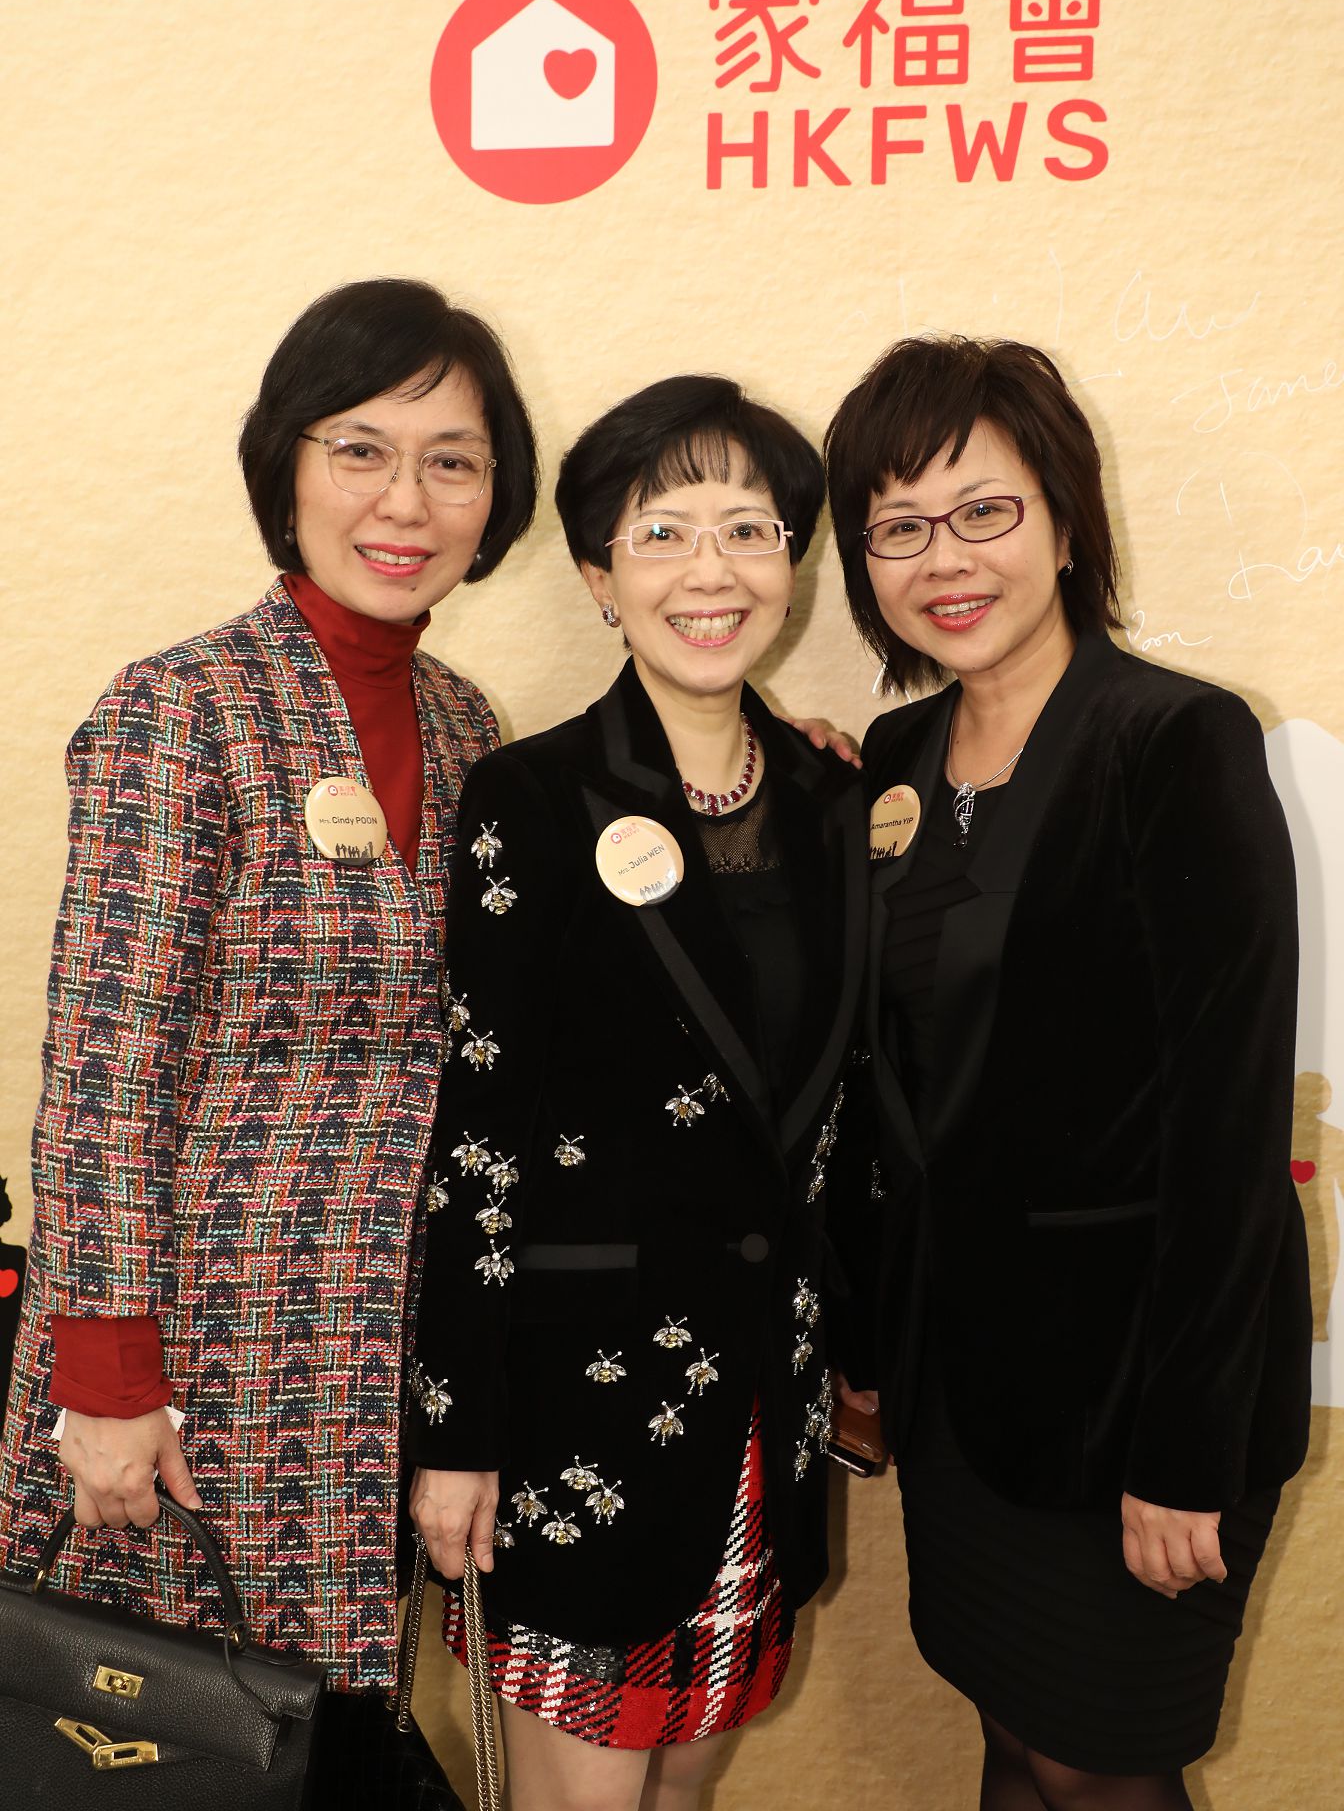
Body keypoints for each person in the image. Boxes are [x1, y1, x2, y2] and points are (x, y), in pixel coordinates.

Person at [0, 280, 538, 1745]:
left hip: (389, 1343)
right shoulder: (180, 707)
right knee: (169, 1744)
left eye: (451, 459)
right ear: (284, 467)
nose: (405, 500)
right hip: (200, 1354)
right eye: (359, 449)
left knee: (332, 1738)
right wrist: (107, 1379)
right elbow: (105, 1066)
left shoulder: (466, 726)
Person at [824, 336, 1311, 1811]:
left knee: (1099, 1766)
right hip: (961, 1390)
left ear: (1065, 521)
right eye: (898, 526)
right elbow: (885, 1079)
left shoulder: (1174, 738)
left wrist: (1186, 1451)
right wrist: (867, 1341)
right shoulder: (894, 757)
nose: (944, 558)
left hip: (1131, 1396)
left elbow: (1227, 1123)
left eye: (985, 510)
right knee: (1012, 1736)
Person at [408, 375, 868, 1811]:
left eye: (748, 528)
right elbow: (478, 1136)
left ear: (791, 561)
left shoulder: (840, 803)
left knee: (683, 1795)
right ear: (600, 577)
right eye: (662, 534)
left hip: (765, 1410)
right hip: (578, 1411)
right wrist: (456, 1435)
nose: (709, 570)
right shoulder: (533, 799)